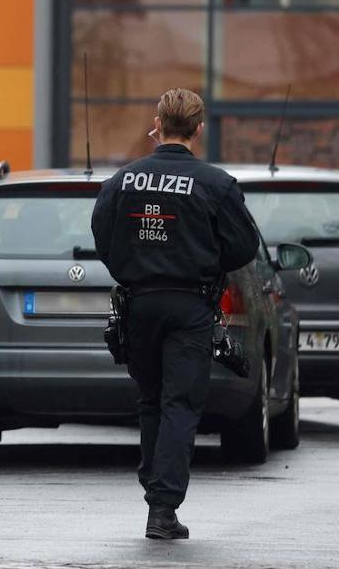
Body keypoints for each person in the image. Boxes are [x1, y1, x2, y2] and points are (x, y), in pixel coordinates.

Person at [90, 88, 259, 540]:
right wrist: (207, 261)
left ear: (157, 124)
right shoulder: (216, 184)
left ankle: (155, 489)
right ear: (198, 129)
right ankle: (162, 508)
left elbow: (102, 235)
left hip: (139, 303)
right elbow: (244, 246)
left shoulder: (122, 181)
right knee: (180, 403)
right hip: (190, 305)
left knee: (151, 399)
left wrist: (132, 268)